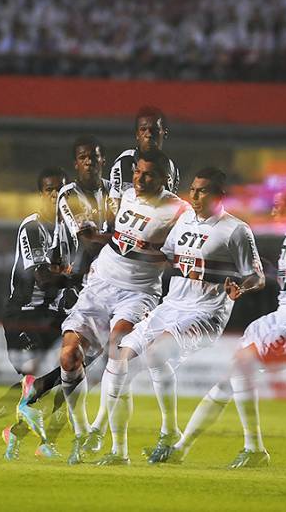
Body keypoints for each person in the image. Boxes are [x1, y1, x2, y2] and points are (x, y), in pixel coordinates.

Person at [158, 190, 286, 468]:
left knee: (243, 364)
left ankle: (254, 449)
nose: (273, 212)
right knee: (229, 379)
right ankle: (181, 448)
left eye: (277, 206)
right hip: (283, 317)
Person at [98, 167, 264, 465]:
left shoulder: (236, 230)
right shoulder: (185, 220)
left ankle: (167, 432)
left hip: (206, 312)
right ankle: (118, 452)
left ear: (219, 195)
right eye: (194, 189)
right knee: (119, 360)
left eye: (203, 191)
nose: (195, 195)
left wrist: (242, 285)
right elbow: (169, 255)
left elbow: (257, 277)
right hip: (170, 306)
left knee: (154, 354)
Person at [58, 148, 187, 465]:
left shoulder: (178, 210)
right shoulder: (127, 196)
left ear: (165, 179)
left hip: (138, 293)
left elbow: (182, 254)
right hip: (100, 285)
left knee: (118, 352)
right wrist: (98, 237)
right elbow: (121, 241)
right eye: (137, 172)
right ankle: (82, 433)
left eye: (149, 175)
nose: (140, 179)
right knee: (69, 356)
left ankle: (118, 449)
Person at [0, 167, 70, 461]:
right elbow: (43, 277)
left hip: (52, 314)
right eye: (50, 189)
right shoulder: (32, 227)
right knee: (35, 377)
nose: (56, 194)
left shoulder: (70, 229)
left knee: (70, 370)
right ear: (40, 194)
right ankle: (38, 440)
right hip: (23, 313)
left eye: (61, 189)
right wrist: (78, 277)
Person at [108, 106, 180, 208]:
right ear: (137, 134)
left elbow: (169, 207)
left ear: (165, 133)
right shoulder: (126, 161)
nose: (148, 134)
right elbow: (114, 207)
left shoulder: (172, 168)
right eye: (143, 129)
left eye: (154, 130)